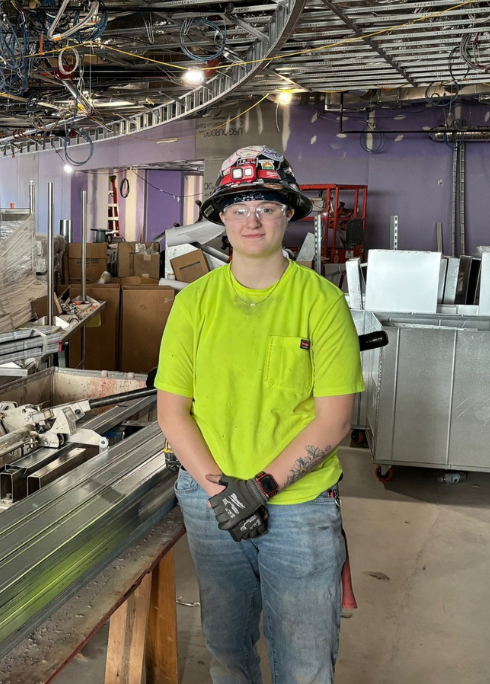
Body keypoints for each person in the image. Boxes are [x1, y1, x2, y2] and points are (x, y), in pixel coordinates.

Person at [154, 145, 365, 684]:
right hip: (210, 505)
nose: (252, 219)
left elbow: (334, 421)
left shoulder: (321, 303)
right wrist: (220, 492)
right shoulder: (192, 303)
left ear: (288, 213)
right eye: (239, 206)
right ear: (220, 217)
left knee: (304, 661)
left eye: (266, 206)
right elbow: (173, 411)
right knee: (227, 650)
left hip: (298, 508)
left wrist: (260, 489)